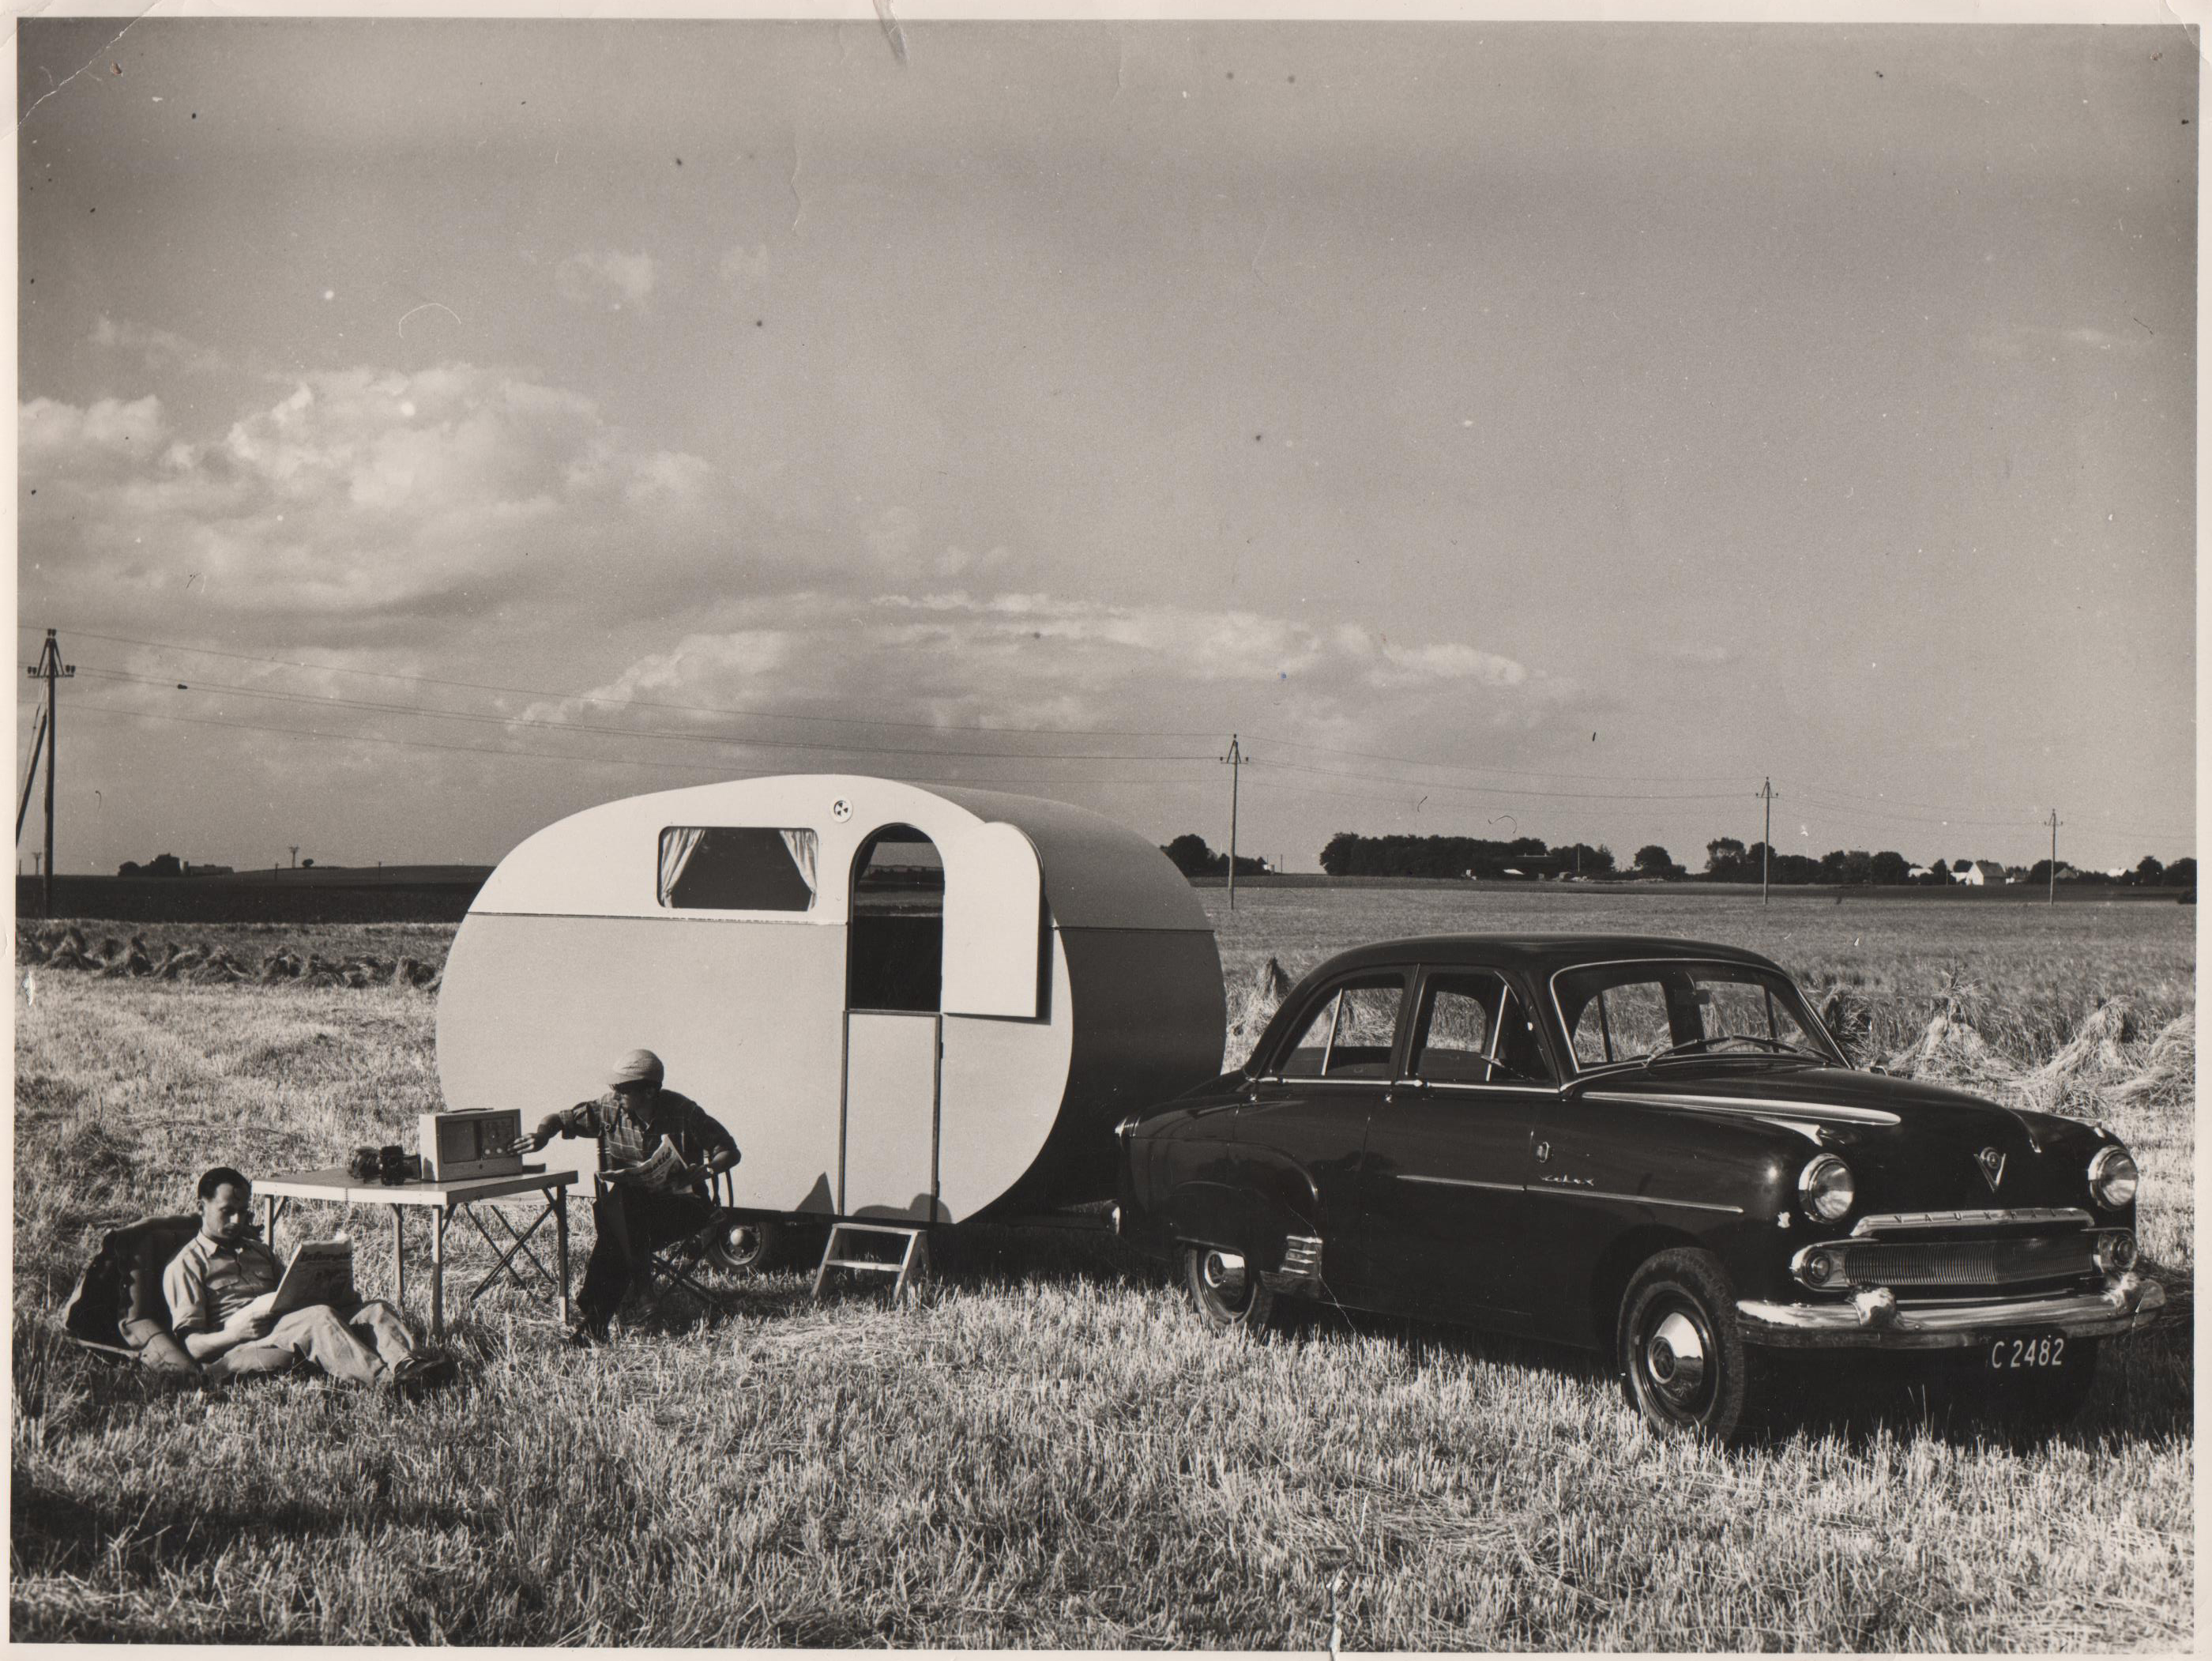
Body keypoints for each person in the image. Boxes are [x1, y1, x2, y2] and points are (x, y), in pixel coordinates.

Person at [509, 1049, 740, 1345]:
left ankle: (603, 1310)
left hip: (682, 1209)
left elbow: (729, 1151)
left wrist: (707, 1170)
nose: (614, 1094)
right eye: (613, 1087)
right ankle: (625, 1303)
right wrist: (542, 1135)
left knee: (618, 1225)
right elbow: (559, 1119)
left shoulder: (684, 1111)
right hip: (635, 1214)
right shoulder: (609, 1108)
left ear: (650, 1091)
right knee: (626, 1204)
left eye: (622, 1089)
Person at [164, 1166, 453, 1390]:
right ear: (201, 1206)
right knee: (319, 1317)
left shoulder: (258, 1251)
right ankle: (387, 1384)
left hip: (285, 1323)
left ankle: (410, 1365)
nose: (237, 1221)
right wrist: (236, 1334)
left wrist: (334, 1288)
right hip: (244, 1341)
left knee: (374, 1309)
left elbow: (290, 1291)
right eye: (227, 1212)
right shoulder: (187, 1265)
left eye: (243, 1212)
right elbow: (193, 1346)